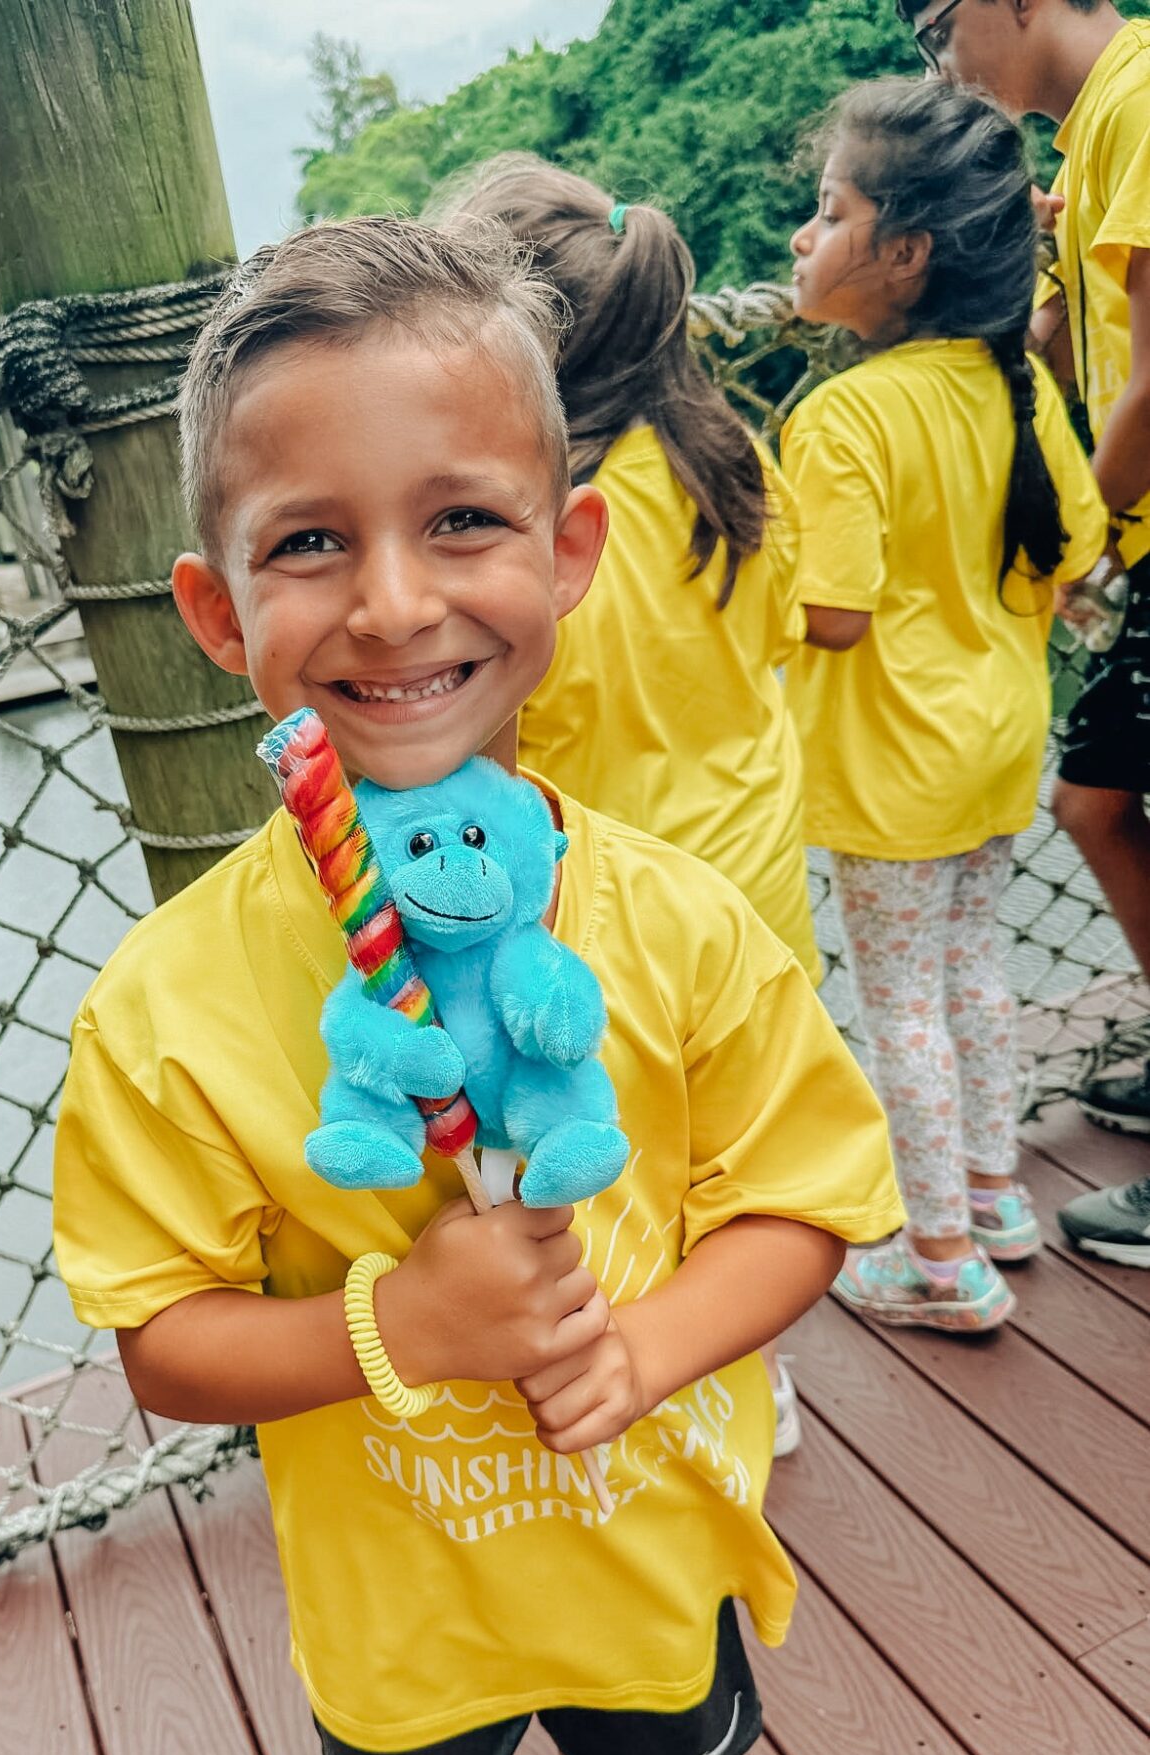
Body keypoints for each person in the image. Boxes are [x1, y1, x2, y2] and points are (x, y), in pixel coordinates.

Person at [52, 215, 904, 1755]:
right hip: (403, 1608)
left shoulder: (679, 923)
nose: (391, 605)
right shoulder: (167, 1007)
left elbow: (806, 1197)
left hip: (642, 1543)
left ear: (568, 548)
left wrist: (649, 1345)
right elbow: (163, 1340)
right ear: (215, 610)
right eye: (307, 542)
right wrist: (402, 1326)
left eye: (461, 520)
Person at [434, 156, 817, 1456]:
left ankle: (623, 1380)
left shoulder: (526, 539)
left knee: (610, 1153)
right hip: (754, 878)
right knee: (736, 1150)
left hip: (603, 911)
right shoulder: (735, 463)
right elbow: (781, 640)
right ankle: (750, 1371)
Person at [782, 76, 1109, 1331]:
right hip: (996, 742)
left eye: (831, 212)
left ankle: (939, 1258)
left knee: (900, 1004)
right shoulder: (1010, 383)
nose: (805, 237)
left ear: (907, 252)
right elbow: (1073, 548)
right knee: (973, 971)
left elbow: (833, 612)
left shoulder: (844, 417)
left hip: (893, 764)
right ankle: (992, 1193)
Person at [896, 2, 1150, 1260]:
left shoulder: (1142, 104)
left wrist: (1075, 538)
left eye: (940, 28)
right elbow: (1060, 344)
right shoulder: (1094, 132)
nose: (942, 65)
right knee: (1093, 799)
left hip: (1136, 532)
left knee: (1095, 798)